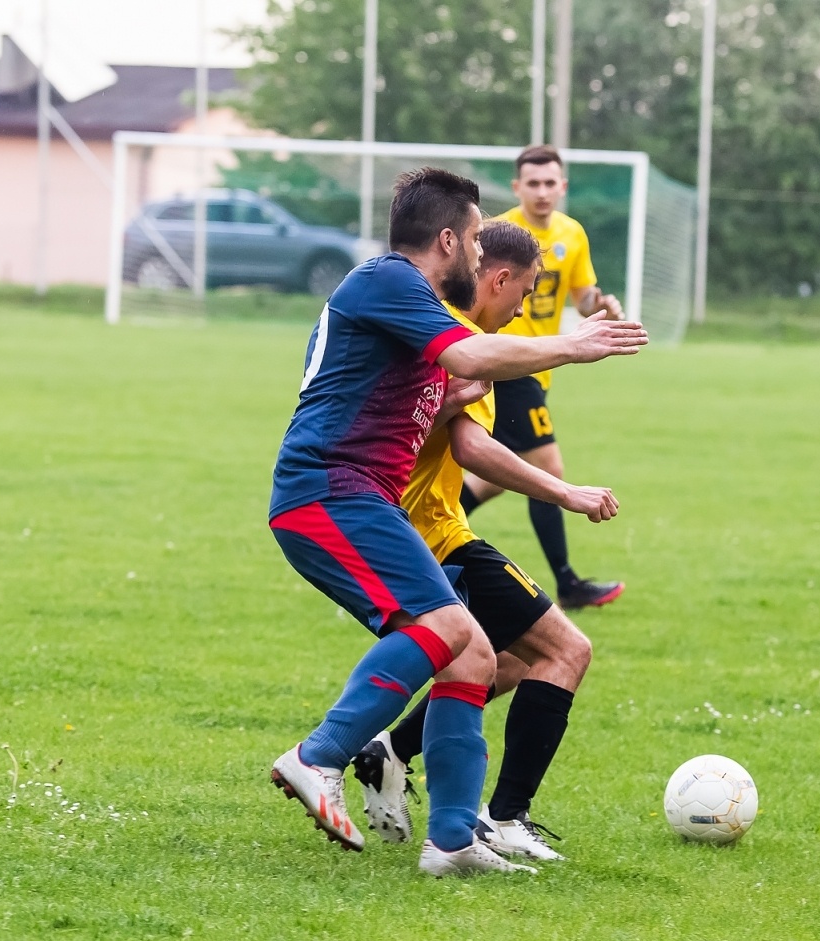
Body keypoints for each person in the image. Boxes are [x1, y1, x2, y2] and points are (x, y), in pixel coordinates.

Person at [265, 168, 647, 878]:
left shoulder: (409, 303)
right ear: (448, 239)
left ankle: (450, 842)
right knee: (444, 629)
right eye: (475, 237)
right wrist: (573, 342)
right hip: (329, 490)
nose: (480, 251)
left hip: (362, 495)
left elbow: (434, 397)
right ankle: (318, 756)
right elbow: (466, 361)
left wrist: (448, 398)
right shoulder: (391, 282)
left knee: (470, 651)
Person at [355, 221, 618, 862]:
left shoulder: (435, 327)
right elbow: (474, 447)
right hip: (430, 537)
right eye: (524, 292)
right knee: (566, 650)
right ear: (497, 280)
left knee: (511, 661)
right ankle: (502, 819)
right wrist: (567, 492)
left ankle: (391, 753)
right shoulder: (462, 342)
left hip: (416, 530)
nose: (525, 307)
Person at [460, 144, 627, 611]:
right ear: (517, 188)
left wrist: (603, 309)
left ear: (562, 186)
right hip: (508, 360)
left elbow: (583, 299)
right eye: (532, 183)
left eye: (549, 182)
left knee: (494, 478)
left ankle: (416, 540)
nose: (541, 191)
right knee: (548, 470)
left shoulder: (572, 235)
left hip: (541, 367)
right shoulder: (497, 234)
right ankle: (568, 583)